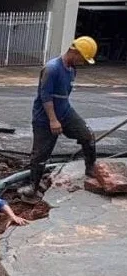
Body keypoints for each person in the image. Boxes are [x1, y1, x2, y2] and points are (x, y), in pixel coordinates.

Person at [22, 36, 98, 199]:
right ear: (74, 52)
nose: (83, 63)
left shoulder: (72, 69)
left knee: (88, 136)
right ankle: (32, 187)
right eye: (82, 58)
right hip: (45, 118)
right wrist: (53, 120)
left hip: (65, 112)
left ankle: (90, 168)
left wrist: (62, 117)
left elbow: (63, 96)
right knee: (40, 155)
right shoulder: (52, 68)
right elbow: (46, 96)